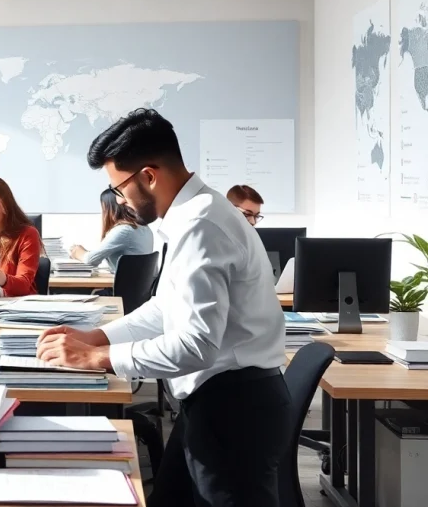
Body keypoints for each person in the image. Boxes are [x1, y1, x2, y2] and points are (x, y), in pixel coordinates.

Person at [36, 109, 288, 507]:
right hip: (211, 400)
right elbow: (164, 308)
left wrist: (100, 357)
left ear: (149, 176)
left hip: (235, 407)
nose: (120, 200)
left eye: (120, 188)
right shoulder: (190, 216)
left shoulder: (202, 225)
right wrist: (96, 336)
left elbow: (196, 345)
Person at [68, 188, 154, 274]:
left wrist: (77, 251)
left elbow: (91, 260)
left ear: (109, 208)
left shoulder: (124, 231)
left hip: (125, 285)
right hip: (137, 285)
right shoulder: (143, 227)